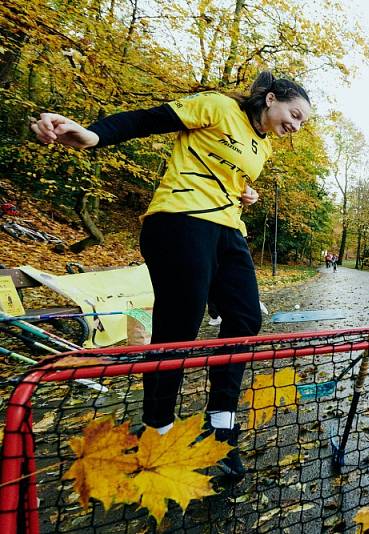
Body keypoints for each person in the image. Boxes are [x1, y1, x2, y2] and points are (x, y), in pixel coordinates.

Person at [31, 71, 311, 477]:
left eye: (303, 123)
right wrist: (92, 135)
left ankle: (221, 428)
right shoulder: (217, 106)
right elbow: (147, 119)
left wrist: (243, 191)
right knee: (179, 325)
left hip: (228, 230)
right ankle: (158, 432)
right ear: (271, 99)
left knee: (246, 318)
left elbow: (227, 176)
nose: (296, 126)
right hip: (179, 220)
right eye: (295, 114)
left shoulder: (263, 147)